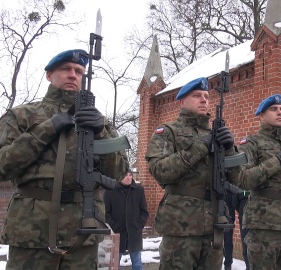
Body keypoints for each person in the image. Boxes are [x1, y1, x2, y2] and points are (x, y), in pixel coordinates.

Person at [0, 49, 129, 269]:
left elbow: (119, 174)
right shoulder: (22, 116)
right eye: (65, 69)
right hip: (32, 232)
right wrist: (47, 128)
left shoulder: (99, 122)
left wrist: (101, 132)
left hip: (83, 232)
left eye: (79, 71)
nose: (72, 75)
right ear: (49, 75)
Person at [144, 77, 238, 270]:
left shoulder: (216, 135)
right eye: (197, 96)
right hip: (180, 226)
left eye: (206, 96)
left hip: (214, 224)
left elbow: (240, 179)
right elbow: (160, 170)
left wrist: (229, 149)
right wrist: (202, 146)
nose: (204, 100)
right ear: (181, 102)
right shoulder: (168, 132)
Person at [232, 94, 281, 270]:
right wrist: (277, 160)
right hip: (263, 225)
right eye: (273, 109)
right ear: (261, 116)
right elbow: (243, 179)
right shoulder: (252, 143)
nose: (280, 113)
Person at [104, 170, 149, 270]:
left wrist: (138, 225)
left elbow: (144, 211)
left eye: (130, 175)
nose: (128, 177)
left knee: (136, 261)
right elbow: (106, 212)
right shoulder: (110, 190)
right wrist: (114, 226)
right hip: (117, 233)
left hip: (134, 232)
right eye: (125, 175)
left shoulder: (138, 190)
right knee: (115, 262)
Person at [233, 189, 250, 270]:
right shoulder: (240, 188)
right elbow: (235, 202)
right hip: (243, 220)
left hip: (258, 221)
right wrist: (241, 210)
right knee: (245, 246)